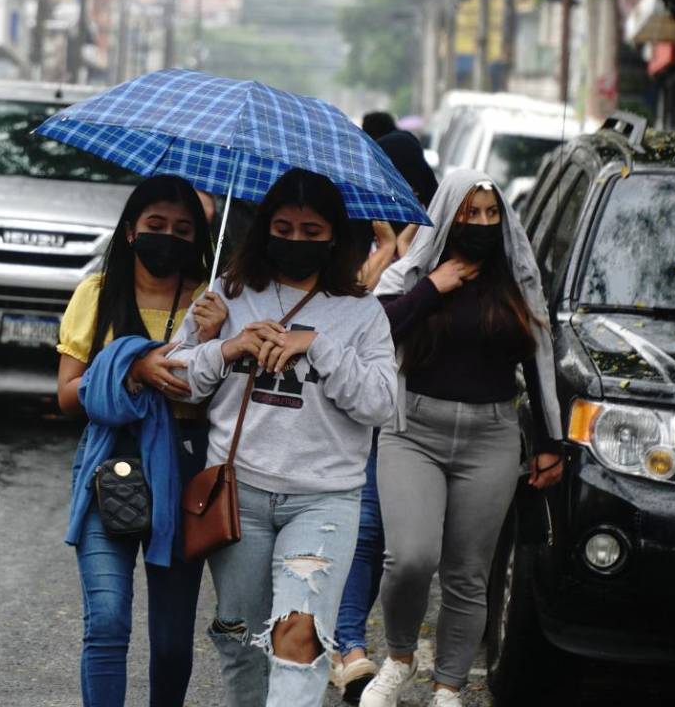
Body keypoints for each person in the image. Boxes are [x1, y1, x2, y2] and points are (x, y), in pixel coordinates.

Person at [170, 168, 398, 707]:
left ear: (336, 237)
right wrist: (220, 345)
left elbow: (381, 403)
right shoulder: (226, 295)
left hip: (322, 502)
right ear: (264, 227)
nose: (295, 241)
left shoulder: (363, 314)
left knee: (298, 636)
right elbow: (175, 382)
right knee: (241, 639)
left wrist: (315, 344)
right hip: (236, 495)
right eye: (284, 227)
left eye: (311, 232)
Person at [360, 169, 564, 707]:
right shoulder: (413, 273)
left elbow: (539, 359)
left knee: (468, 574)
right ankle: (400, 657)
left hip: (491, 436)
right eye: (469, 213)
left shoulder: (516, 279)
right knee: (410, 558)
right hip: (413, 430)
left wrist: (549, 441)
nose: (480, 224)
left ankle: (449, 687)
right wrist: (432, 287)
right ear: (448, 215)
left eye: (491, 214)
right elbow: (373, 332)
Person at [57, 174, 228, 707]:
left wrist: (218, 341)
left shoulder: (212, 302)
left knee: (173, 642)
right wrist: (130, 368)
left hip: (182, 475)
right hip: (107, 465)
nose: (168, 237)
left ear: (199, 240)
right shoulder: (95, 294)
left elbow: (217, 403)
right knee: (106, 621)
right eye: (156, 225)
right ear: (131, 230)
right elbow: (66, 394)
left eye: (183, 229)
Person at [331, 129, 438, 703]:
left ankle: (364, 643)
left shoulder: (434, 237)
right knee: (369, 527)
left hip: (419, 407)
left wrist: (397, 247)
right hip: (371, 400)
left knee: (396, 541)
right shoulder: (360, 230)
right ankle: (349, 645)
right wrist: (380, 245)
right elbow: (354, 303)